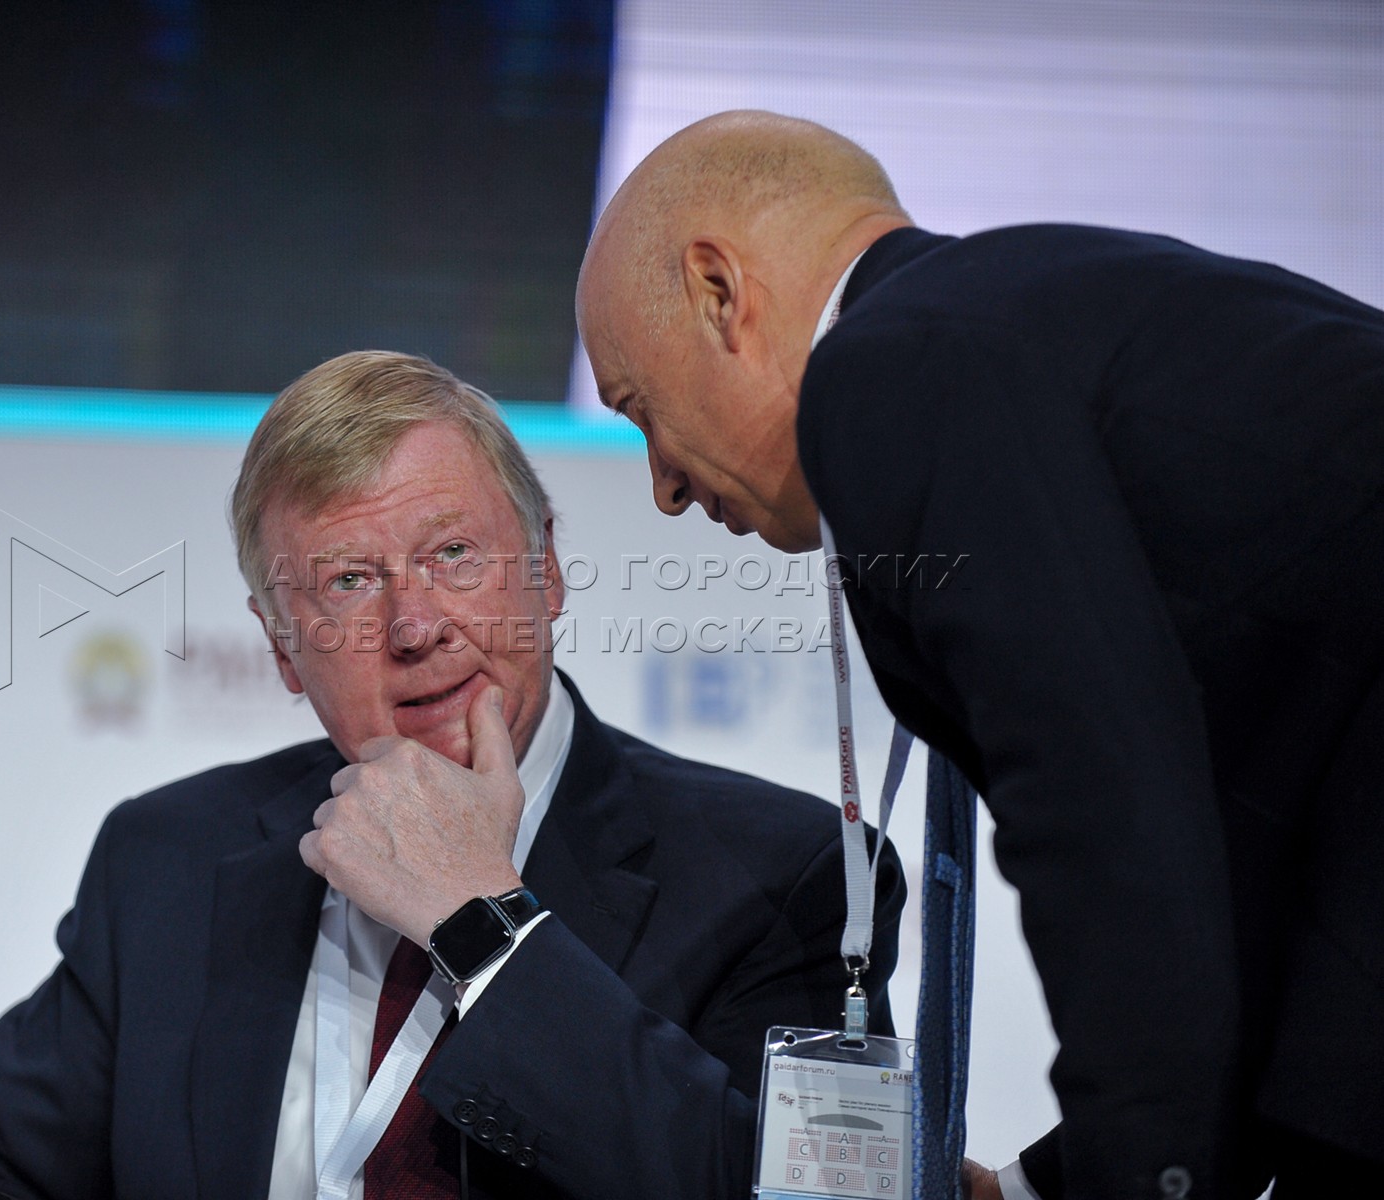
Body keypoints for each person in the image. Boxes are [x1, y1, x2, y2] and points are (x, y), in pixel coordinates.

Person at [574, 111, 1384, 1199]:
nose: (664, 487)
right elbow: (1226, 878)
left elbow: (1103, 813)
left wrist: (1142, 1184)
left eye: (640, 411)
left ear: (720, 291)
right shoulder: (1019, 313)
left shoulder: (892, 365)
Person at [0, 350, 905, 1200]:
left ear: (545, 570)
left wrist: (483, 927)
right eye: (348, 581)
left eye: (453, 553)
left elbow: (784, 1191)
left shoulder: (788, 877)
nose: (414, 627)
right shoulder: (171, 858)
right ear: (282, 647)